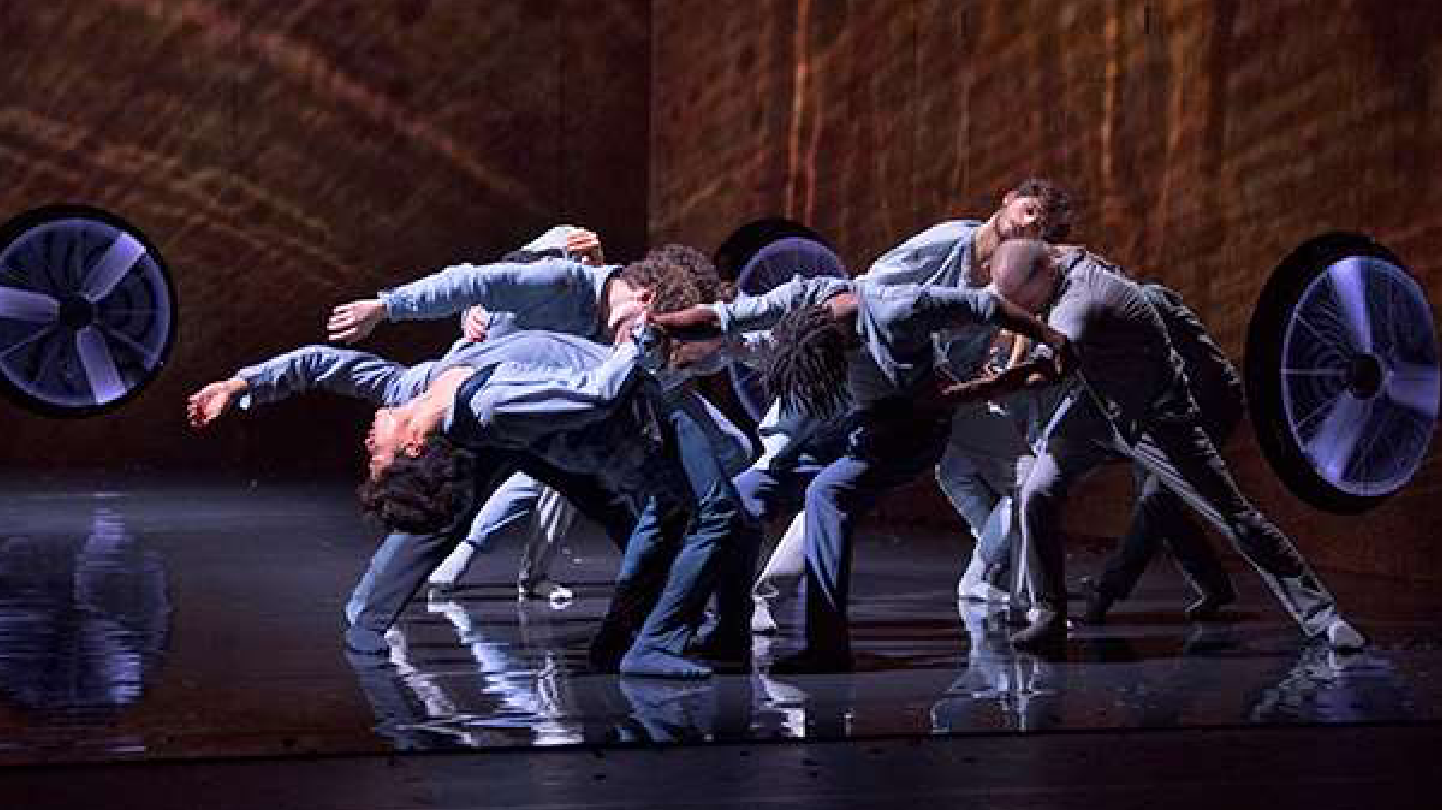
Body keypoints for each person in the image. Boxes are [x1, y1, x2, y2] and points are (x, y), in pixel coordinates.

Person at [956, 239, 1365, 652]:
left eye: (1022, 300)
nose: (1018, 310)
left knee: (1232, 515)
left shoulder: (1080, 308)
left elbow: (1043, 373)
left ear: (1045, 274)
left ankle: (1324, 618)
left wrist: (968, 391)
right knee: (1037, 493)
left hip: (1155, 419)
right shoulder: (1060, 261)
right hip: (1098, 406)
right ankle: (1048, 614)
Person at [653, 275, 1073, 672]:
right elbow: (720, 318)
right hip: (848, 427)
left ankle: (828, 645)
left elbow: (988, 306)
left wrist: (1052, 339)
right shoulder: (801, 300)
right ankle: (730, 631)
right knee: (741, 497)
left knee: (826, 494)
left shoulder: (900, 311)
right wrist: (660, 325)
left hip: (909, 431)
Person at [356, 326, 758, 678]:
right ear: (412, 448)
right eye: (376, 457)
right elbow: (595, 395)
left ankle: (626, 643)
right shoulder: (487, 406)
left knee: (675, 522)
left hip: (641, 424)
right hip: (644, 424)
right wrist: (639, 342)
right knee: (721, 516)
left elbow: (328, 365)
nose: (368, 442)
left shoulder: (441, 392)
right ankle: (655, 644)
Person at [1081, 282, 1240, 624]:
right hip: (1158, 410)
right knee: (1158, 506)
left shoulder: (1146, 303)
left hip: (1204, 406)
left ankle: (1107, 591)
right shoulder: (1110, 313)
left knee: (1156, 500)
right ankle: (1215, 586)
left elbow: (1200, 370)